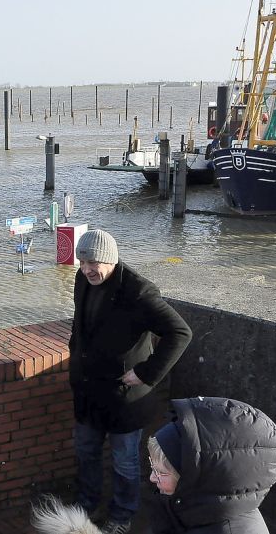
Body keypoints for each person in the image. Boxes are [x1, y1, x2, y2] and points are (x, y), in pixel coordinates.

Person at [69, 229, 192, 534]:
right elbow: (81, 325)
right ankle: (87, 505)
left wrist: (146, 372)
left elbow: (180, 332)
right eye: (82, 262)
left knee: (125, 462)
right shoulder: (83, 280)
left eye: (93, 262)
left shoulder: (138, 292)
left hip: (125, 396)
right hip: (88, 391)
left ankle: (122, 514)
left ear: (110, 260)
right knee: (87, 452)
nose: (86, 269)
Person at [146, 397, 276, 534]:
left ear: (197, 477)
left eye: (161, 472)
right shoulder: (197, 507)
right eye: (152, 466)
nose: (152, 478)